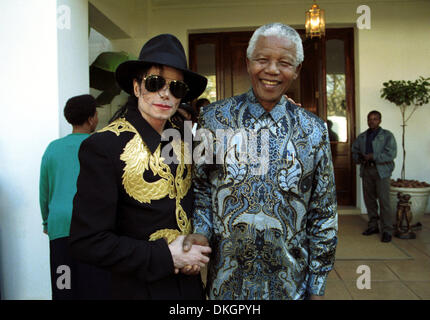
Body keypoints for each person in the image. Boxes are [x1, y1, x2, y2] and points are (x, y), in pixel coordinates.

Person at [183, 23, 338, 300]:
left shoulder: (314, 131)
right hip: (226, 286)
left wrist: (317, 286)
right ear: (248, 63)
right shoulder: (213, 119)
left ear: (297, 69)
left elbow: (323, 213)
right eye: (263, 60)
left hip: (291, 287)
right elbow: (201, 189)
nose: (272, 70)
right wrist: (202, 232)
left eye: (284, 62)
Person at [69, 34, 211, 300]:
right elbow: (86, 241)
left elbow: (208, 192)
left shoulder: (185, 139)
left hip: (189, 291)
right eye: (155, 83)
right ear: (136, 88)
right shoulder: (105, 146)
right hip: (136, 289)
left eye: (176, 88)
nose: (165, 94)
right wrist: (168, 256)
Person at [39, 94, 110, 299]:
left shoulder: (53, 148)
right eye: (96, 114)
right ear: (91, 119)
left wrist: (47, 222)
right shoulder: (101, 145)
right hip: (93, 229)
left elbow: (44, 191)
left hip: (60, 227)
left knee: (65, 285)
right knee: (95, 285)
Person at [351, 110, 397, 242]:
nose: (372, 121)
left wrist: (373, 156)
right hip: (367, 171)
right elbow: (354, 151)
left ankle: (387, 230)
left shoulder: (387, 136)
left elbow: (391, 154)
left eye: (375, 119)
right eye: (370, 119)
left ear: (380, 120)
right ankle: (373, 225)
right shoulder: (362, 137)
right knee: (369, 200)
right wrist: (359, 158)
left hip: (381, 171)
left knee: (384, 201)